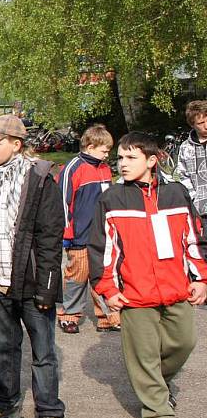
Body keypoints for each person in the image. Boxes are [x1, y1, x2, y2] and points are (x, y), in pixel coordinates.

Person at [89, 132, 207, 418]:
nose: (122, 164)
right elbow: (102, 249)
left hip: (176, 288)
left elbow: (192, 239)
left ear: (152, 161)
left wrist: (201, 279)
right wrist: (109, 289)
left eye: (131, 158)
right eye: (120, 158)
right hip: (135, 294)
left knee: (184, 342)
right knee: (142, 355)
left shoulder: (177, 194)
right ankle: (158, 413)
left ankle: (157, 382)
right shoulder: (111, 198)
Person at [0, 115, 66, 418]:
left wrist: (46, 288)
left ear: (16, 144)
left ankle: (50, 413)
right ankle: (4, 404)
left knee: (43, 351)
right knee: (2, 346)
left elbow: (50, 238)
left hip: (31, 283)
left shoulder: (40, 178)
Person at [56, 124, 120, 333]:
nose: (107, 154)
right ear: (90, 146)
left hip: (101, 235)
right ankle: (69, 315)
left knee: (101, 275)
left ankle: (106, 317)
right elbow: (62, 203)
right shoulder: (73, 167)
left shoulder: (104, 168)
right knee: (77, 275)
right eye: (104, 150)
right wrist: (67, 233)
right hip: (79, 235)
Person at [176, 100, 207, 225]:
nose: (206, 125)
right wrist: (194, 197)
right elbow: (183, 175)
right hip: (201, 210)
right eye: (201, 123)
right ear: (192, 124)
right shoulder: (185, 148)